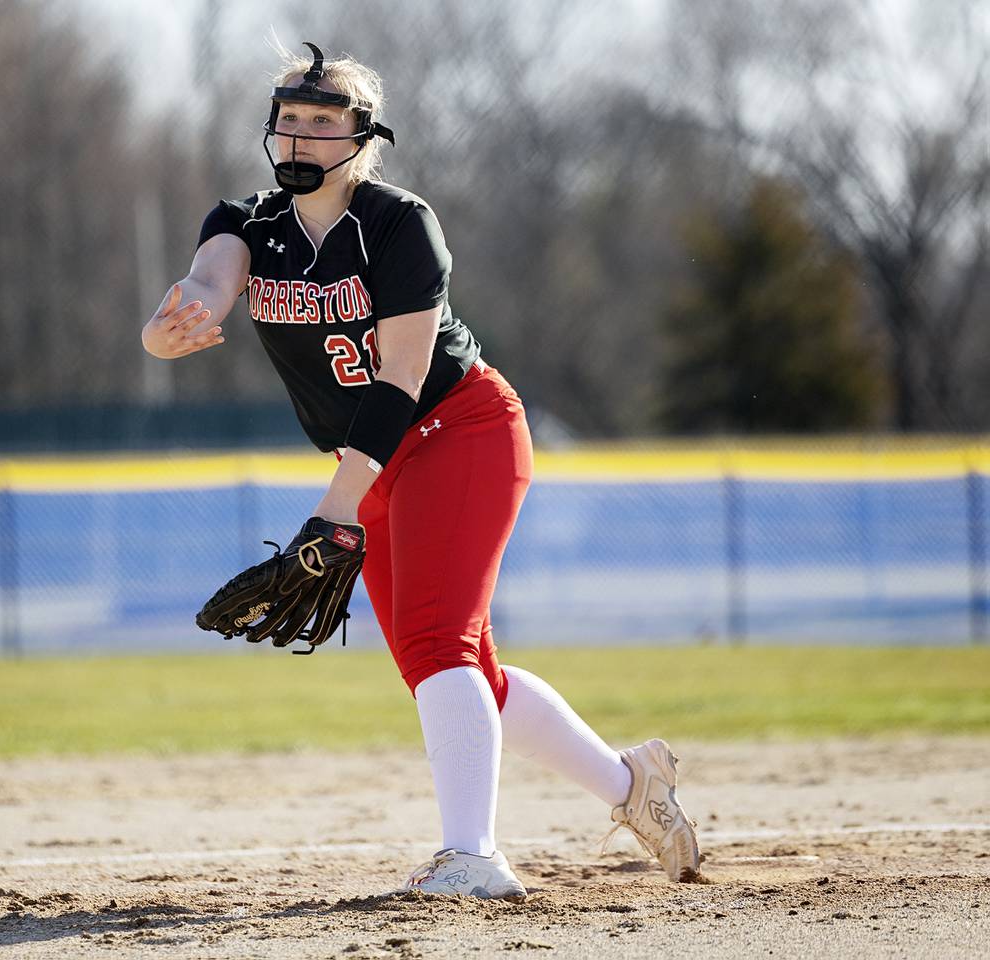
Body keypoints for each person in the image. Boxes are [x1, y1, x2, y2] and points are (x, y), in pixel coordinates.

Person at [141, 41, 701, 898]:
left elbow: (400, 378)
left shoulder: (399, 223)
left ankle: (473, 856)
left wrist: (339, 503)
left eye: (322, 124)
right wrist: (172, 324)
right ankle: (636, 789)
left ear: (363, 136)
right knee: (449, 666)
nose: (297, 140)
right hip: (377, 462)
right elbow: (211, 279)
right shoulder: (246, 223)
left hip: (459, 429)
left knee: (441, 647)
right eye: (287, 122)